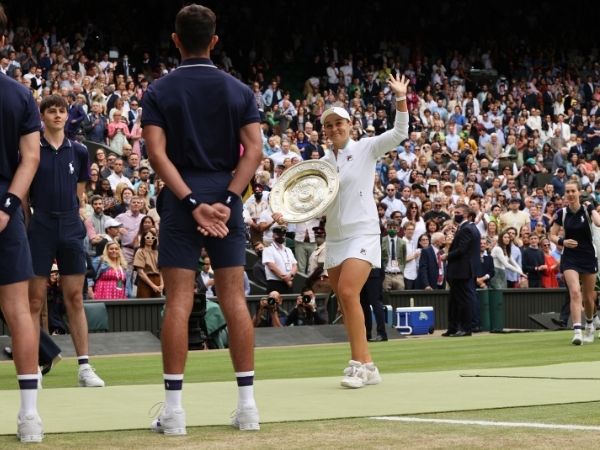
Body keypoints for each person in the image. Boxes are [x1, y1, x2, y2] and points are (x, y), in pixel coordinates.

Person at [141, 4, 263, 434]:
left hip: (180, 197)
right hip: (225, 196)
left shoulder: (158, 91)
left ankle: (174, 414)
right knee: (233, 298)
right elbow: (255, 151)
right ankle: (248, 408)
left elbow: (157, 155)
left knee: (178, 301)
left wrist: (192, 201)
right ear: (214, 41)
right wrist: (228, 199)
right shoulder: (239, 90)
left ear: (176, 40)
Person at [277, 73, 409, 388]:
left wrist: (401, 97)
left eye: (340, 123)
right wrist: (289, 215)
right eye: (329, 125)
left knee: (350, 293)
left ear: (349, 126)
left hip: (363, 233)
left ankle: (364, 364)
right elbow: (315, 206)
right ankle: (363, 366)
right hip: (334, 239)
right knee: (345, 302)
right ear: (324, 131)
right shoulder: (321, 164)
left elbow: (400, 132)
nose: (335, 128)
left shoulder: (366, 148)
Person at [27, 94, 105, 390]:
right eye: (52, 111)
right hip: (41, 224)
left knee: (74, 298)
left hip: (71, 225)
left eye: (62, 111)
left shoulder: (80, 151)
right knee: (34, 300)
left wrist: (78, 214)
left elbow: (81, 191)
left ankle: (84, 367)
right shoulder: (31, 149)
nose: (58, 115)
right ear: (43, 116)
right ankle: (32, 366)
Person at [0, 6, 44, 440]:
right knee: (18, 312)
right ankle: (30, 418)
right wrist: (8, 205)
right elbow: (31, 159)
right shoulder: (19, 95)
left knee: (19, 311)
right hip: (6, 208)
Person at [550, 181, 600, 345]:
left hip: (588, 255)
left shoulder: (587, 210)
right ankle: (577, 331)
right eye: (567, 191)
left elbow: (598, 222)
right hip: (570, 256)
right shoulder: (561, 213)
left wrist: (592, 207)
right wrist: (562, 241)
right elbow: (551, 235)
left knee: (588, 297)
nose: (570, 194)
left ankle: (590, 325)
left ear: (579, 192)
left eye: (573, 191)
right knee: (575, 291)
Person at [442, 204, 481, 337]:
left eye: (457, 212)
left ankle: (466, 328)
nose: (455, 214)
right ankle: (454, 327)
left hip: (462, 271)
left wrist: (447, 255)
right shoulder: (468, 228)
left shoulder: (467, 229)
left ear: (465, 214)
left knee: (464, 300)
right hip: (461, 271)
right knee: (455, 300)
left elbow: (462, 250)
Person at [262, 225, 298, 294]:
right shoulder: (268, 250)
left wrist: (291, 275)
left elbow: (295, 265)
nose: (281, 236)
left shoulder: (288, 250)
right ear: (273, 235)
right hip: (275, 283)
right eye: (278, 235)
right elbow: (272, 267)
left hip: (289, 282)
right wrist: (286, 279)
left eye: (283, 235)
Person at [133, 228, 163, 298]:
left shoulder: (156, 252)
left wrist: (162, 284)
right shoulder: (140, 251)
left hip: (157, 279)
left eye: (152, 237)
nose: (150, 239)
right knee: (144, 304)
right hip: (146, 281)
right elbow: (140, 272)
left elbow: (161, 270)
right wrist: (153, 286)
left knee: (157, 305)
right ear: (144, 238)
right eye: (148, 237)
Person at [381, 219, 406, 291]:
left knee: (400, 297)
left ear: (398, 229)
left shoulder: (402, 242)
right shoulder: (382, 241)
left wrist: (401, 270)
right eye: (390, 227)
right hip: (386, 274)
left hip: (398, 274)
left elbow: (403, 258)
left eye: (394, 228)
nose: (392, 229)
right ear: (387, 228)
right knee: (385, 296)